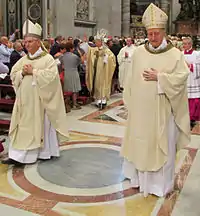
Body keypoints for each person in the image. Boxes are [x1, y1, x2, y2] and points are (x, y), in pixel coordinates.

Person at [121, 3, 190, 197]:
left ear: (164, 32)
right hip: (141, 114)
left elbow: (181, 78)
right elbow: (130, 80)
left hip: (162, 113)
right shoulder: (138, 53)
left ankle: (159, 186)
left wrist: (160, 78)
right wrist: (130, 103)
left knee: (161, 148)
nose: (152, 37)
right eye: (149, 33)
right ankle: (139, 180)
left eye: (156, 33)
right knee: (141, 144)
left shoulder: (175, 54)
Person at [2, 20, 69, 166]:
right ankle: (16, 155)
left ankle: (38, 154)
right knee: (22, 126)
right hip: (24, 101)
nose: (26, 44)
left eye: (30, 41)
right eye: (25, 42)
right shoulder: (24, 59)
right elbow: (13, 74)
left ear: (38, 42)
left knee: (38, 128)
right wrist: (22, 73)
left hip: (40, 102)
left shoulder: (48, 59)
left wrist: (34, 72)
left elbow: (52, 78)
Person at [86, 29, 116, 109]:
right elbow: (91, 57)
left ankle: (103, 99)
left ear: (101, 42)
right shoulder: (94, 49)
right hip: (97, 70)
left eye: (97, 41)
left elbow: (112, 58)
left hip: (105, 70)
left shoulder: (106, 50)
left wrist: (107, 58)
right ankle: (98, 99)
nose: (95, 43)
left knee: (104, 83)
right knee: (97, 83)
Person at [182, 37, 200, 129]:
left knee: (194, 100)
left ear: (190, 44)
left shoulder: (197, 54)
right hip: (184, 79)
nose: (184, 46)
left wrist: (190, 66)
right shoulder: (180, 54)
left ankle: (193, 119)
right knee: (184, 100)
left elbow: (198, 66)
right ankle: (185, 119)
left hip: (193, 79)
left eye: (185, 44)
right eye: (183, 44)